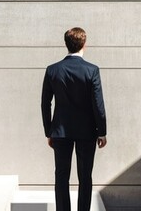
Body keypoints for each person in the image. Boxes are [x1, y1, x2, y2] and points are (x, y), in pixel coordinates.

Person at [41, 27, 107, 211]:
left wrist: (49, 131)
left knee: (61, 176)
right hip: (87, 132)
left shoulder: (53, 70)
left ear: (66, 44)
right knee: (85, 176)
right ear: (84, 44)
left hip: (60, 132)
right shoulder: (91, 70)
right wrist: (101, 132)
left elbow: (45, 103)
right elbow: (98, 104)